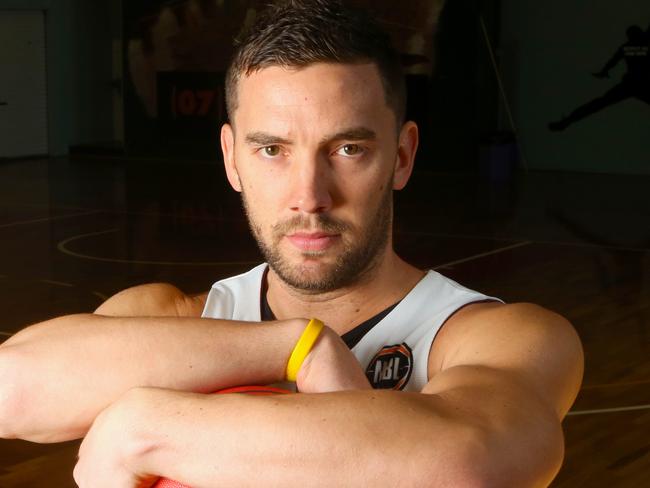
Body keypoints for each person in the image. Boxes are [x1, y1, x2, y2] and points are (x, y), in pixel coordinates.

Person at [0, 1, 583, 486]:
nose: (309, 195)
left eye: (347, 149)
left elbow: (467, 463)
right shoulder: (177, 316)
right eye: (272, 150)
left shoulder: (496, 336)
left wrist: (146, 429)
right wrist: (294, 347)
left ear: (402, 157)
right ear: (231, 159)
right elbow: (12, 388)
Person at [549, 24, 650, 131]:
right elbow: (613, 61)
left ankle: (566, 121)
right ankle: (566, 121)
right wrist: (604, 71)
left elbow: (613, 61)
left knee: (600, 103)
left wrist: (604, 71)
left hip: (637, 83)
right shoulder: (633, 46)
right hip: (635, 83)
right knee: (600, 103)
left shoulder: (631, 47)